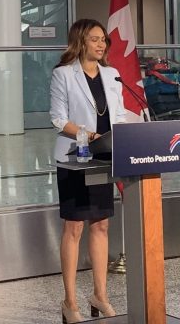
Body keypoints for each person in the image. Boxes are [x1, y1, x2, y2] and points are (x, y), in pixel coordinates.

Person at [49, 18, 126, 323]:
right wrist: (90, 137)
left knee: (101, 226)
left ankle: (100, 295)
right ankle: (69, 302)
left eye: (103, 40)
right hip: (75, 158)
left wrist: (116, 138)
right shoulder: (63, 75)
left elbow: (118, 114)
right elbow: (57, 119)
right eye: (95, 39)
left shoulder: (113, 74)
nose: (101, 44)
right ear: (80, 41)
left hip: (106, 158)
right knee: (74, 227)